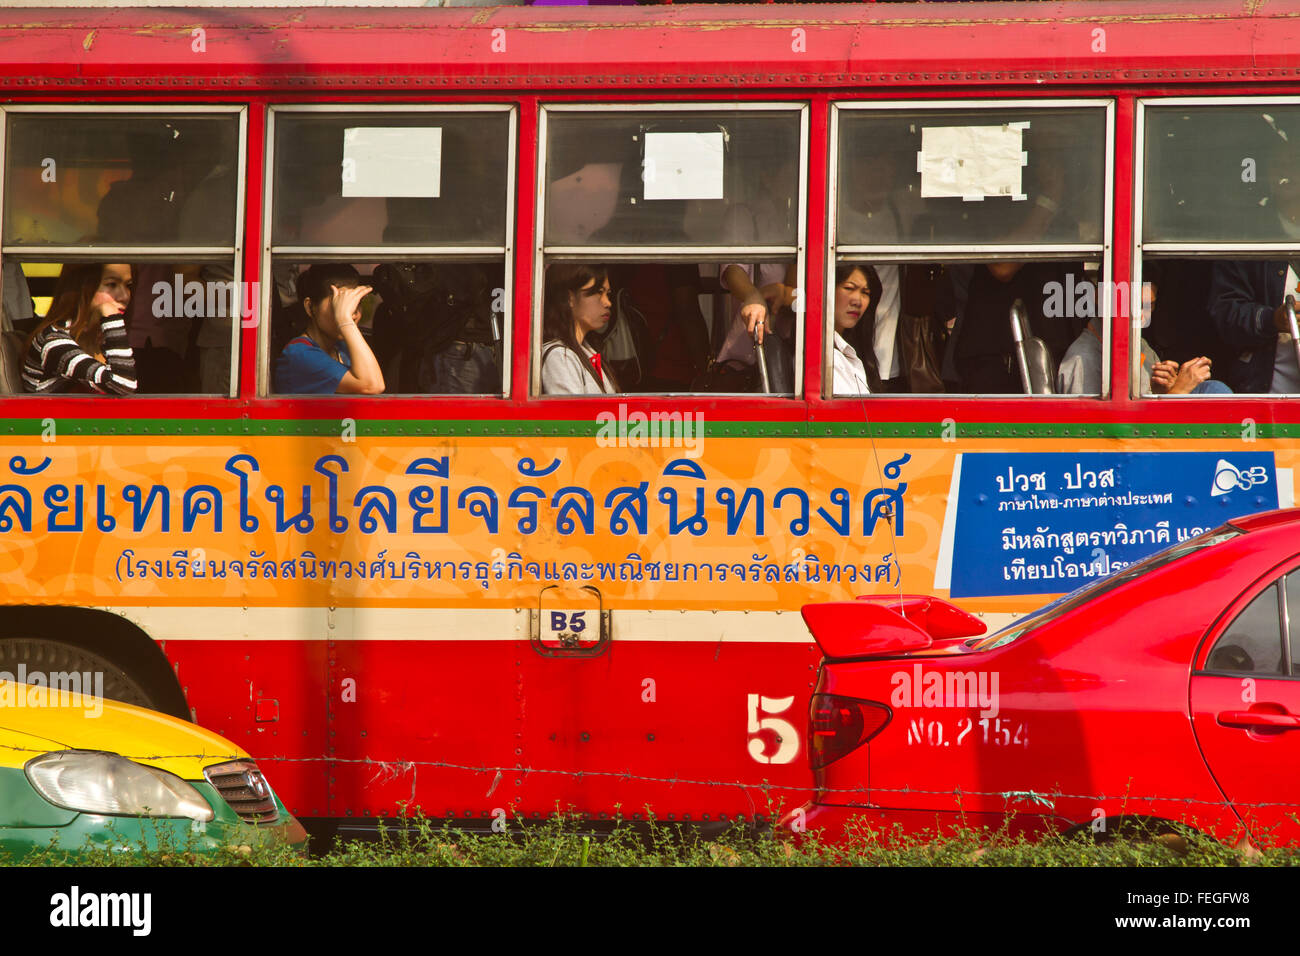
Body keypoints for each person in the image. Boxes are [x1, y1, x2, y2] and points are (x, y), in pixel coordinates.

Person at [1058, 277, 1231, 395]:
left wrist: (1164, 389)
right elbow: (1106, 436)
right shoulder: (1082, 360)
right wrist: (1178, 391)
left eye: (1150, 306)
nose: (1142, 315)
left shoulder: (1138, 343)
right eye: (1135, 305)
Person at [22, 263, 137, 395]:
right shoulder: (53, 340)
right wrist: (110, 317)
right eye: (111, 284)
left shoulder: (99, 338)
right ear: (83, 286)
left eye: (128, 286)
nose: (125, 296)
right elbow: (123, 385)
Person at [273, 264, 384, 395]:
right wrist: (344, 320)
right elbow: (372, 386)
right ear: (310, 307)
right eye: (339, 304)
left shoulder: (342, 347)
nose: (352, 313)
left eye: (356, 303)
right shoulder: (299, 355)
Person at [540, 263, 618, 395]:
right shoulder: (559, 356)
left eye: (608, 294)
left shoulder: (586, 350)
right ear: (570, 298)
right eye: (598, 293)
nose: (607, 303)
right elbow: (572, 414)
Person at [830, 263, 879, 396]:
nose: (858, 301)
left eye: (865, 292)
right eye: (849, 288)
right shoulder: (820, 355)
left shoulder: (852, 351)